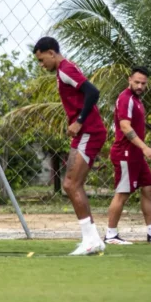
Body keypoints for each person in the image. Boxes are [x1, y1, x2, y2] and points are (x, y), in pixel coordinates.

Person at [33, 36, 106, 255]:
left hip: (89, 131)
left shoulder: (65, 69)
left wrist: (80, 121)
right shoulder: (63, 70)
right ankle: (93, 239)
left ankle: (90, 240)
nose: (41, 64)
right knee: (74, 185)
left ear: (51, 53)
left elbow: (93, 92)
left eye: (41, 59)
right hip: (86, 133)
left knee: (70, 185)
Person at [104, 67, 151, 245]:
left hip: (136, 154)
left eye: (143, 83)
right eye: (136, 82)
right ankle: (111, 235)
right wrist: (145, 148)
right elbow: (125, 127)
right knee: (122, 193)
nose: (139, 86)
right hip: (125, 153)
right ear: (129, 79)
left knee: (149, 188)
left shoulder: (137, 100)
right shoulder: (125, 99)